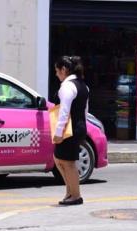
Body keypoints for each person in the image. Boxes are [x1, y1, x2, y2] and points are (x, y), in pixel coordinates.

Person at [53, 56, 89, 206]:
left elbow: (64, 111)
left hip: (70, 129)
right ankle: (70, 191)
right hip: (79, 127)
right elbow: (85, 110)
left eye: (57, 71)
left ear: (64, 70)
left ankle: (75, 195)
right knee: (59, 159)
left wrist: (59, 132)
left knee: (68, 163)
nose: (56, 74)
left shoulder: (67, 86)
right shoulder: (83, 86)